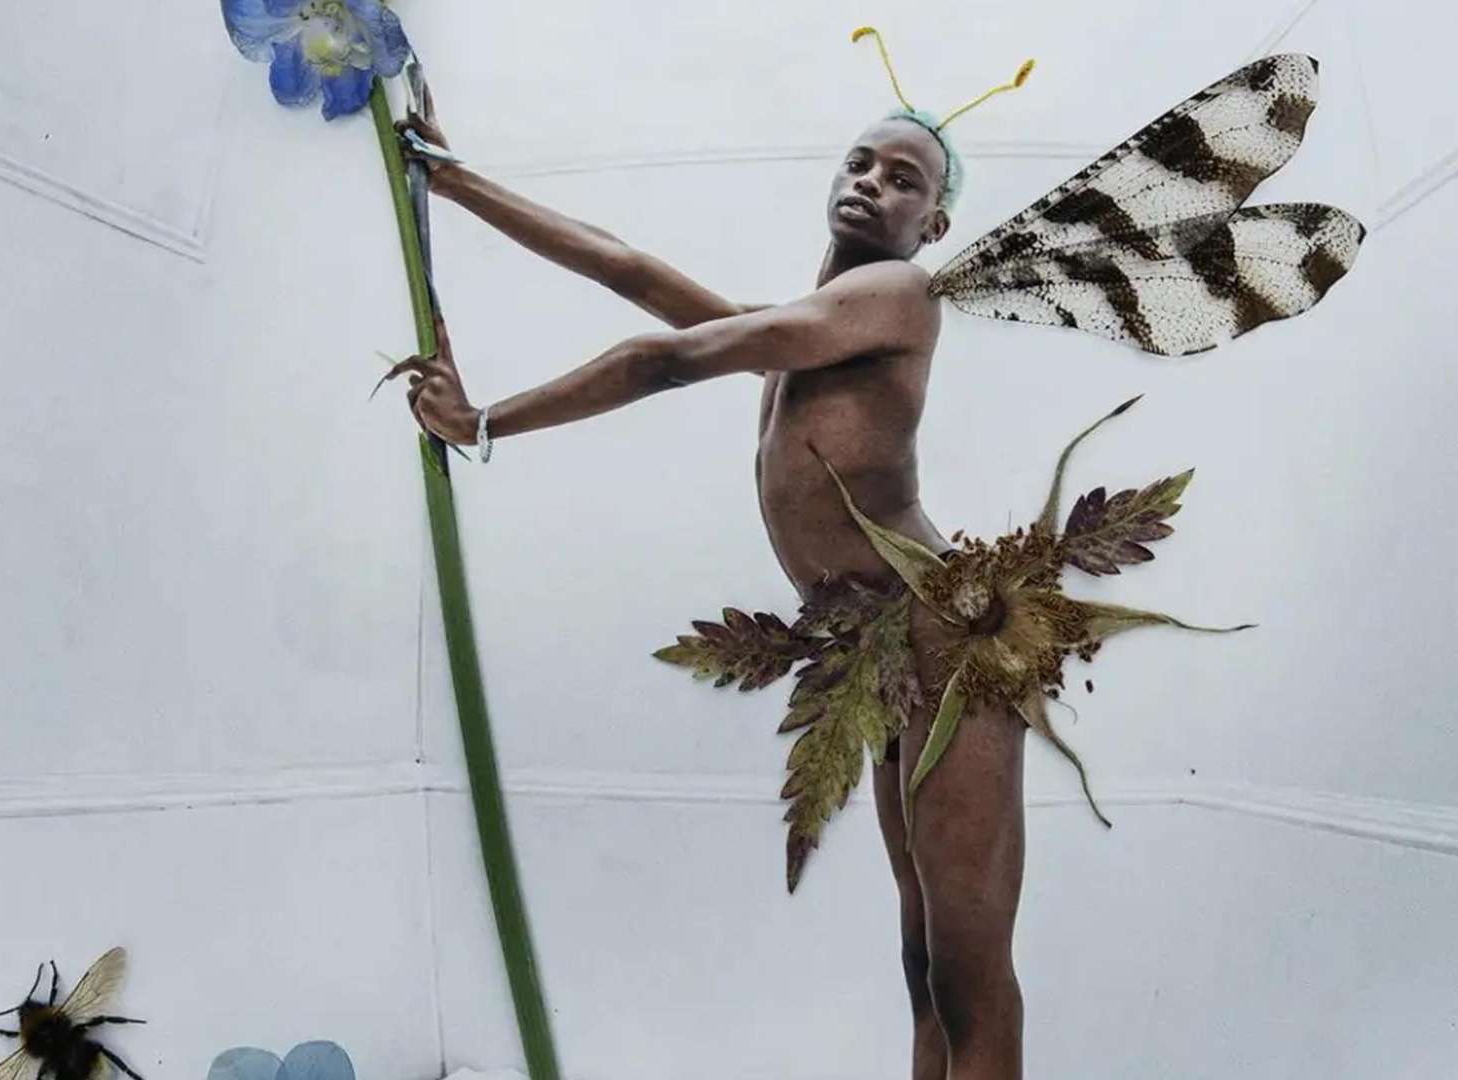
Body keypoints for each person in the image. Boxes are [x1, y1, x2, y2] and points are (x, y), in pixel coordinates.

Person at [385, 79, 1028, 1079]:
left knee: (966, 971)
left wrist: (483, 423)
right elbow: (626, 267)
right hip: (889, 662)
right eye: (860, 162)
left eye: (902, 181)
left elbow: (663, 358)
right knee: (921, 955)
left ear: (932, 223)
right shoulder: (804, 334)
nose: (870, 184)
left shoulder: (899, 298)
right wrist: (457, 181)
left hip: (952, 651)